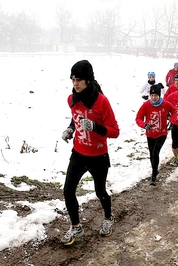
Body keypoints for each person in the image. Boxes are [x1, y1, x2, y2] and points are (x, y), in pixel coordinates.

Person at [60, 60, 120, 246]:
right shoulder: (72, 99)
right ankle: (76, 226)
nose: (75, 83)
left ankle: (108, 217)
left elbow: (115, 131)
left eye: (79, 80)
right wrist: (70, 129)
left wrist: (95, 127)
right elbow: (75, 118)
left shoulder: (102, 102)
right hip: (78, 153)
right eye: (73, 79)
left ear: (88, 80)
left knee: (100, 191)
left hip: (98, 156)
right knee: (68, 190)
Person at [135, 83, 176, 186]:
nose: (153, 98)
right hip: (150, 134)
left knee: (155, 153)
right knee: (151, 155)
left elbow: (174, 112)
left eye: (156, 96)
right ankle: (155, 169)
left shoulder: (166, 104)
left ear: (159, 96)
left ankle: (153, 176)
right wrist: (144, 125)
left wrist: (171, 121)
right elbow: (138, 118)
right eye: (152, 95)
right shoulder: (146, 105)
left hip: (162, 133)